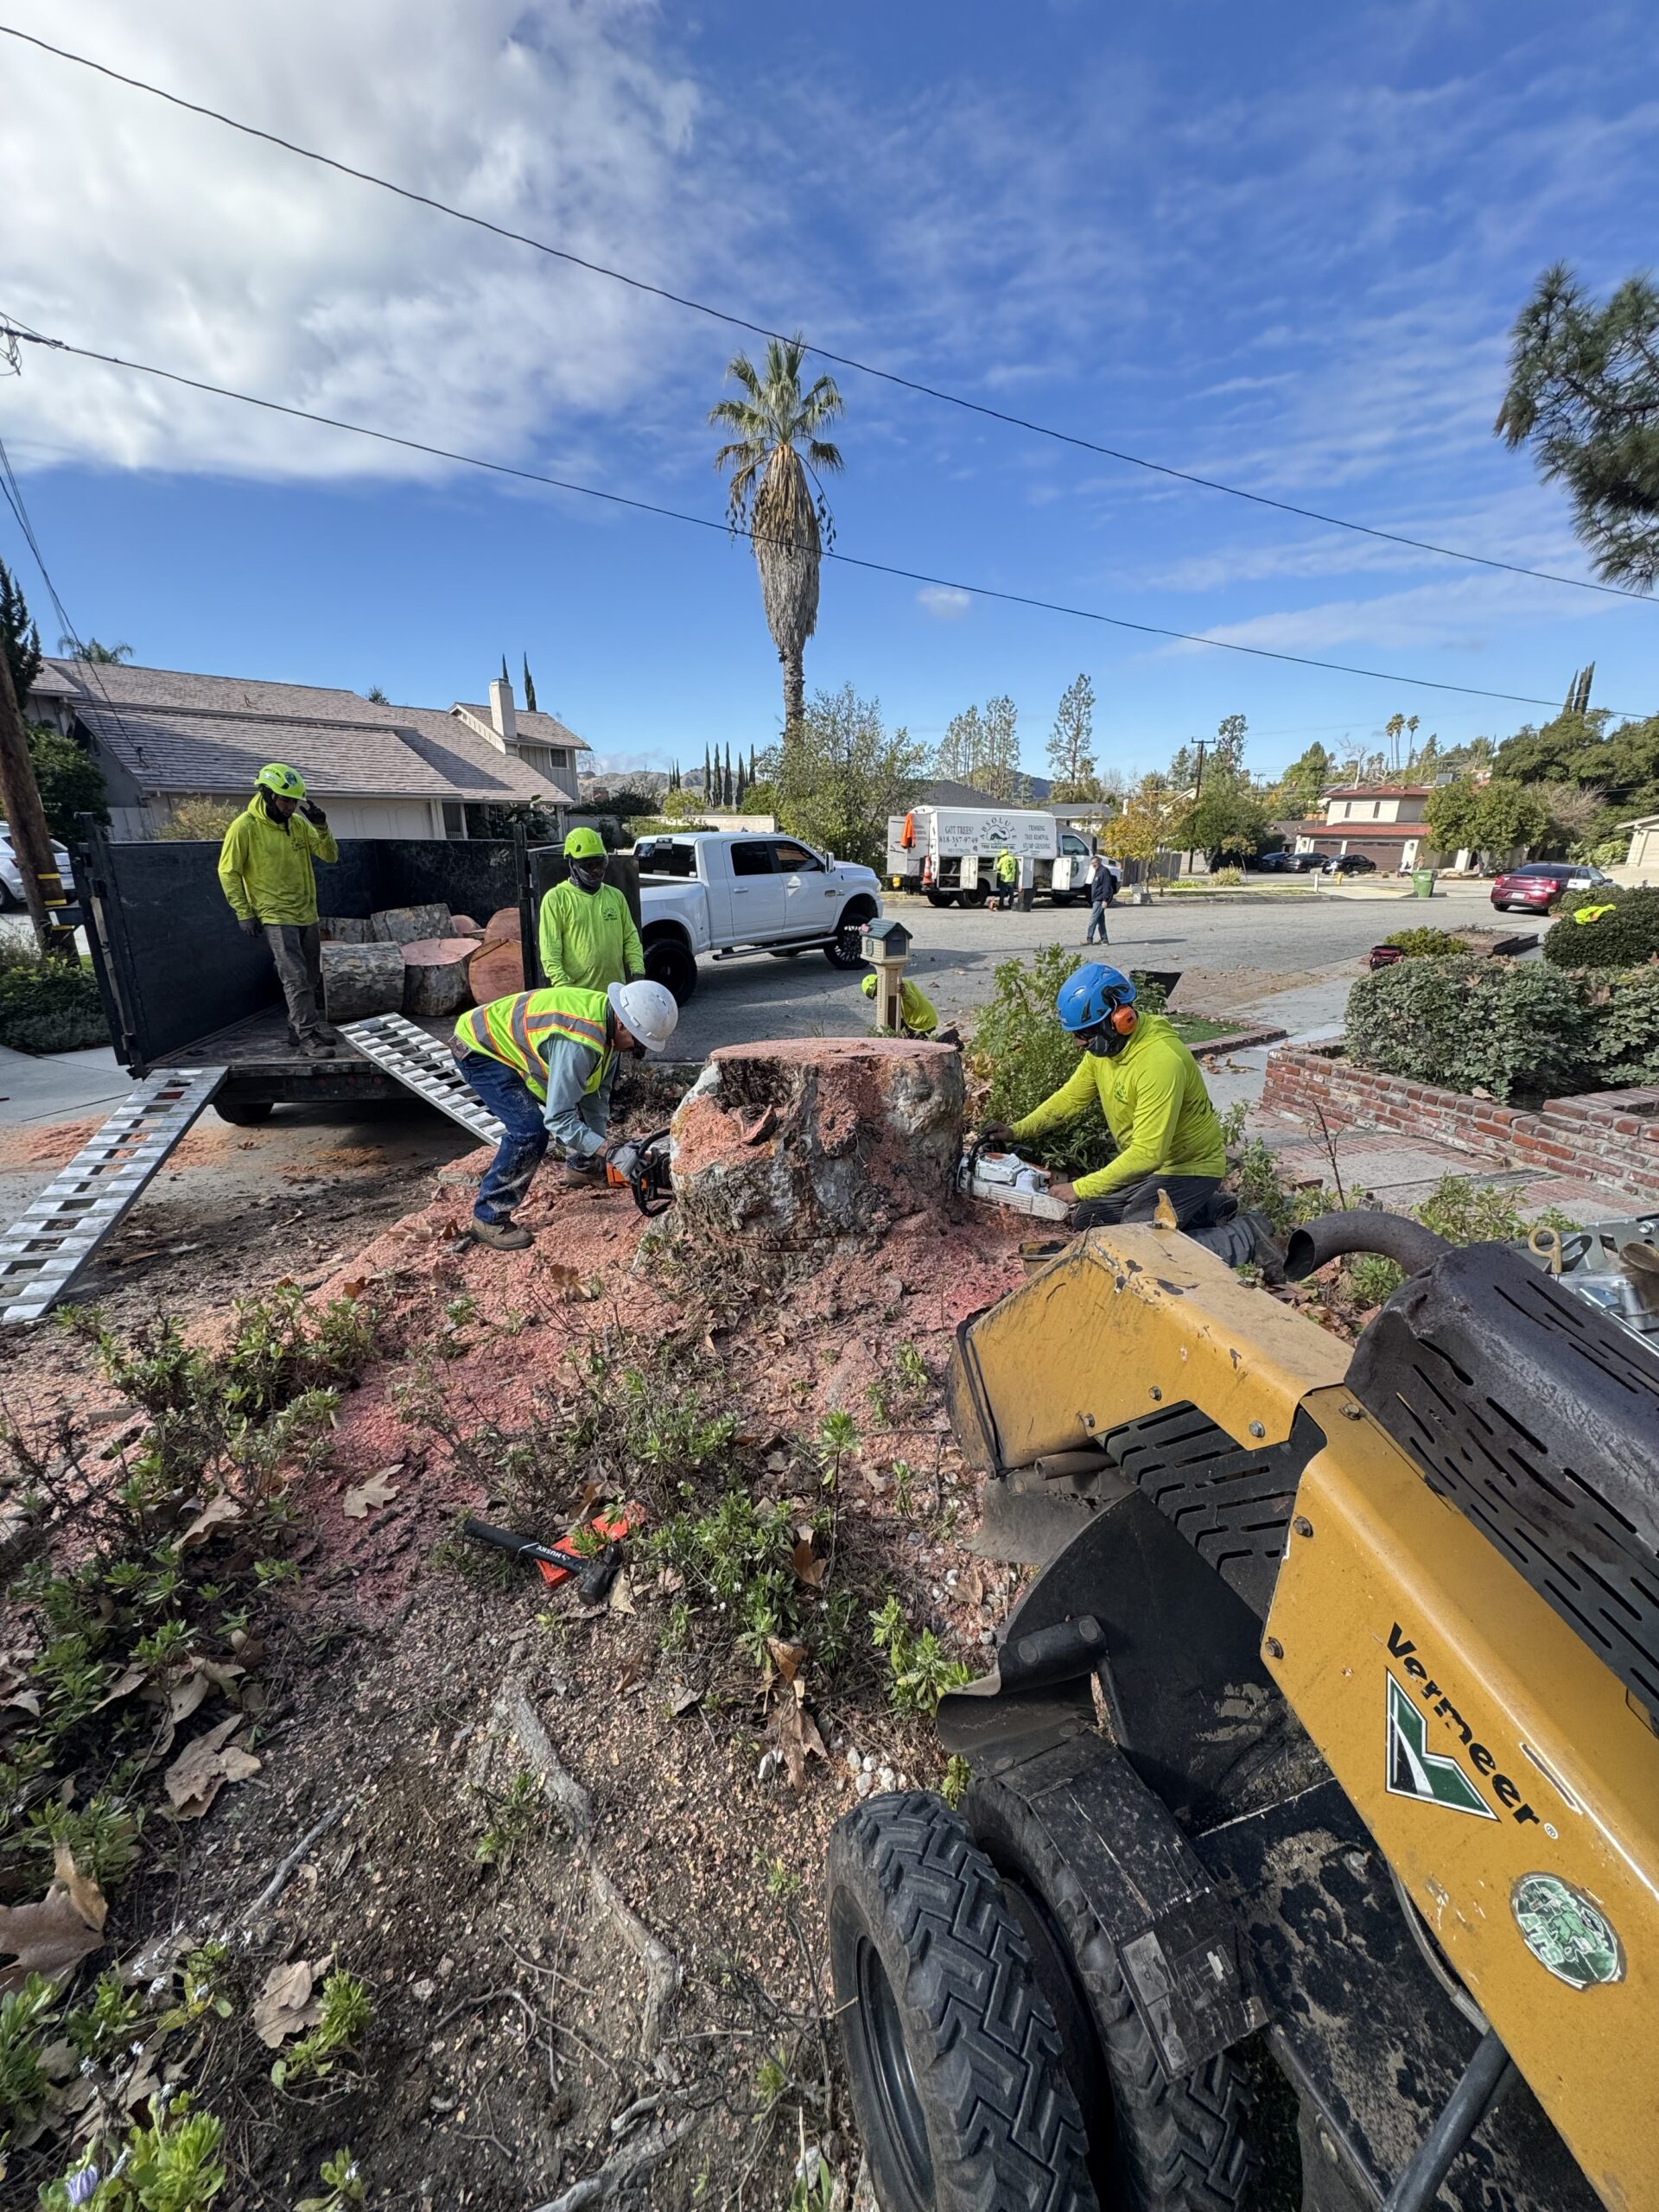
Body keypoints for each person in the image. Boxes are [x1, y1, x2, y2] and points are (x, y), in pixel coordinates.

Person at [985, 963, 1224, 1231]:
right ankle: (1208, 1209)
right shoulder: (1105, 1051)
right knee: (1088, 1219)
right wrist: (1017, 1130)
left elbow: (1148, 1154)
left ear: (1121, 1020)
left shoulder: (1160, 1061)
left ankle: (1243, 1233)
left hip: (1189, 1168)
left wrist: (1079, 1188)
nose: (1079, 1043)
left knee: (1135, 1235)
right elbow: (1071, 1098)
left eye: (1085, 1034)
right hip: (1150, 1169)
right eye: (1076, 1034)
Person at [451, 977, 679, 1249]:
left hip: (512, 1042)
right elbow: (558, 1118)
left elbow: (596, 1095)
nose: (634, 1050)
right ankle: (488, 1218)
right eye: (636, 1043)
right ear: (622, 1024)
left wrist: (603, 1151)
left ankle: (582, 1170)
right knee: (530, 1131)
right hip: (480, 1048)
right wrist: (611, 1151)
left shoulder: (609, 1024)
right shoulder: (580, 1043)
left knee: (572, 1100)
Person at [216, 764, 340, 1057]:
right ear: (267, 794)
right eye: (285, 800)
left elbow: (329, 855)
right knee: (295, 977)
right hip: (274, 914)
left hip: (305, 911)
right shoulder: (244, 826)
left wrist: (321, 826)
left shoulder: (297, 824)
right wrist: (243, 911)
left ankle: (297, 1027)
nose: (290, 807)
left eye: (294, 801)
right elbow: (228, 872)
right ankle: (308, 1035)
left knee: (310, 977)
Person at [538, 827, 645, 993]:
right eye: (588, 866)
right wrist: (565, 990)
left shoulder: (615, 896)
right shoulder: (556, 899)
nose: (596, 871)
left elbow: (630, 937)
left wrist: (638, 972)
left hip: (614, 993)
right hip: (578, 997)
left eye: (600, 864)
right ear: (572, 863)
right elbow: (550, 952)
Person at [861, 969, 942, 1038]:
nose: (879, 994)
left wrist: (904, 993)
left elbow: (914, 1004)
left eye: (877, 991)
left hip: (923, 1022)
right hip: (914, 1020)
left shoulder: (902, 985)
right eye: (876, 994)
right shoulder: (891, 989)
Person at [1084, 854, 1114, 946]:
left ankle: (1089, 939)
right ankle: (1104, 939)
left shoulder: (1104, 871)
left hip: (1100, 900)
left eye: (1095, 862)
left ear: (1099, 862)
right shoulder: (1097, 871)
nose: (1094, 864)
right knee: (1100, 920)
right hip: (1096, 899)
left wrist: (1105, 900)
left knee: (1093, 920)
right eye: (1092, 863)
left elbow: (1107, 886)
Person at [993, 845, 1020, 912]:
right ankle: (1011, 905)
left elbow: (998, 867)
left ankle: (1001, 906)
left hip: (1004, 879)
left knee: (1002, 893)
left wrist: (996, 863)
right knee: (1011, 893)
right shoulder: (1012, 858)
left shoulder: (1002, 859)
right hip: (1011, 879)